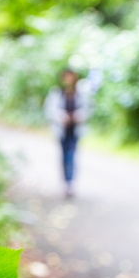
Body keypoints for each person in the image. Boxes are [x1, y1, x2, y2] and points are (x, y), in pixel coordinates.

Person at [44, 69, 92, 197]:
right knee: (64, 156)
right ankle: (66, 181)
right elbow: (50, 109)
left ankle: (70, 182)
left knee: (71, 156)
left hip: (75, 130)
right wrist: (61, 117)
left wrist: (78, 116)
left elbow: (88, 109)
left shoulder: (81, 94)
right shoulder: (56, 93)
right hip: (62, 130)